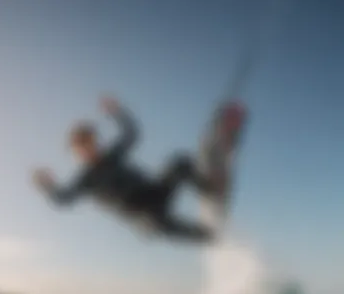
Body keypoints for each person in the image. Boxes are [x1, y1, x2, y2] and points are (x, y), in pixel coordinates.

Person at [33, 96, 237, 243]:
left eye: (91, 142)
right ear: (76, 152)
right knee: (201, 235)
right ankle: (215, 240)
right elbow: (63, 199)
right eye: (82, 147)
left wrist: (117, 112)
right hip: (146, 216)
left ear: (95, 142)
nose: (88, 149)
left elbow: (132, 134)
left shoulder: (112, 156)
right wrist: (46, 185)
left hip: (155, 192)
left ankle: (211, 190)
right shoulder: (86, 179)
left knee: (180, 163)